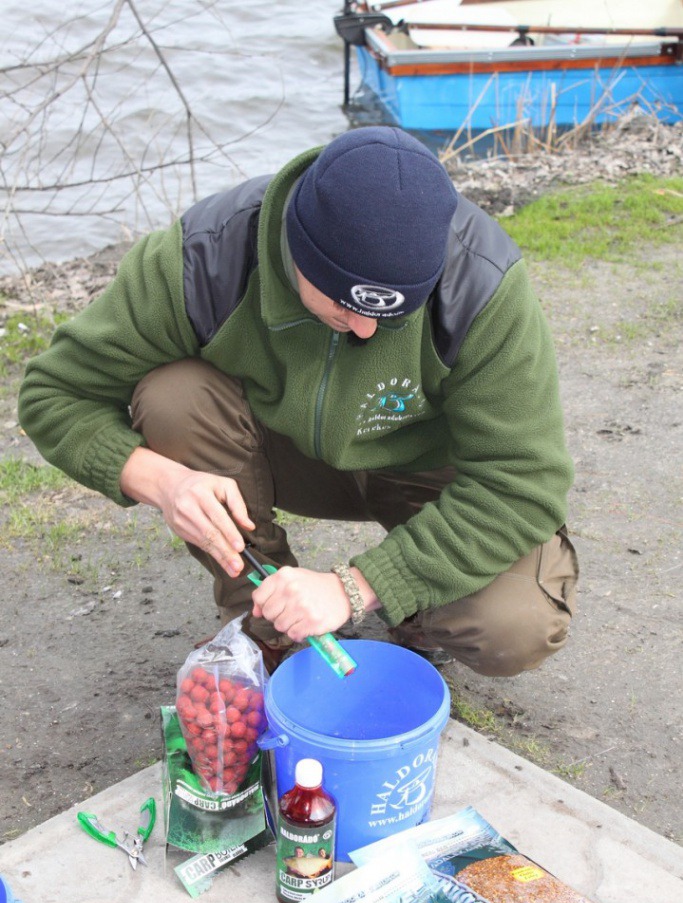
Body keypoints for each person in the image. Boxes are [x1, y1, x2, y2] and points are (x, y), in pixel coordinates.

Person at [18, 126, 577, 677]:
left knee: (513, 626)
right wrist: (164, 483)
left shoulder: (480, 283)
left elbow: (523, 483)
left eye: (390, 315)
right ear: (296, 249)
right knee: (173, 397)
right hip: (281, 456)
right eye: (341, 305)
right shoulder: (204, 258)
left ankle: (417, 606)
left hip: (427, 473)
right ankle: (268, 625)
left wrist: (357, 588)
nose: (363, 331)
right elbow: (54, 394)